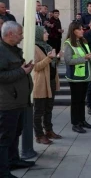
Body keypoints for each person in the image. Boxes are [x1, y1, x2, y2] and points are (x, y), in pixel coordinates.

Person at [0, 21, 35, 177]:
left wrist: (23, 69)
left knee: (15, 133)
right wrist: (22, 71)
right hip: (7, 103)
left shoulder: (12, 50)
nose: (22, 37)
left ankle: (13, 160)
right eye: (20, 34)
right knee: (5, 138)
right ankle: (3, 171)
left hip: (18, 101)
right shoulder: (1, 51)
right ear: (10, 34)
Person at [64, 22, 91, 133]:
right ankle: (75, 123)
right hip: (75, 77)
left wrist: (90, 55)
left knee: (82, 100)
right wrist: (85, 58)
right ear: (74, 31)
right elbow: (68, 61)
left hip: (85, 75)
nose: (83, 30)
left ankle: (82, 120)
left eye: (82, 29)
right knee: (76, 101)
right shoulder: (68, 43)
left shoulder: (83, 41)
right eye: (80, 29)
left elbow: (85, 56)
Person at [33, 26, 61, 145]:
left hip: (51, 81)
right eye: (44, 32)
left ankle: (49, 130)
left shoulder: (47, 46)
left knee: (49, 108)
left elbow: (52, 64)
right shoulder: (34, 48)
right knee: (39, 110)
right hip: (41, 83)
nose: (47, 34)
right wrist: (49, 58)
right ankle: (39, 135)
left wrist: (57, 57)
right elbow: (36, 67)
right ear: (38, 34)